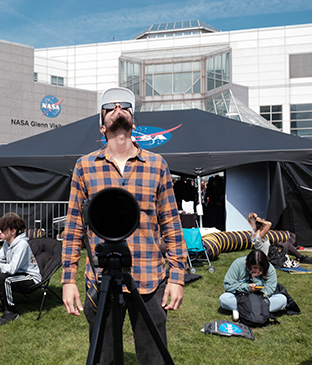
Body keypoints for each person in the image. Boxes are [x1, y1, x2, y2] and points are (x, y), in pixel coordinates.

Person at [61, 87, 187, 364]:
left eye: (125, 105)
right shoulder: (84, 166)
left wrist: (177, 276)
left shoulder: (157, 164)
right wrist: (68, 278)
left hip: (150, 278)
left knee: (155, 358)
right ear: (101, 122)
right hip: (100, 279)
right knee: (102, 358)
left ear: (133, 118)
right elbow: (73, 228)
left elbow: (171, 224)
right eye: (110, 106)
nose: (118, 108)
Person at [219, 249, 287, 321]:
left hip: (260, 298)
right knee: (224, 299)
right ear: (248, 264)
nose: (257, 271)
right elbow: (228, 285)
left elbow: (269, 290)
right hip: (241, 297)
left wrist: (256, 280)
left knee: (282, 299)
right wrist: (247, 287)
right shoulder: (238, 264)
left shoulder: (270, 268)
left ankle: (241, 310)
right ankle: (260, 311)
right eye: (255, 267)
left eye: (260, 268)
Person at [248, 212, 312, 263]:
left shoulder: (253, 233)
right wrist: (261, 221)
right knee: (287, 245)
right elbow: (269, 224)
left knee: (281, 244)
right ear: (262, 227)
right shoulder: (260, 235)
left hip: (267, 254)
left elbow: (250, 218)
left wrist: (255, 217)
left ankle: (299, 256)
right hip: (269, 256)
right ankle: (302, 258)